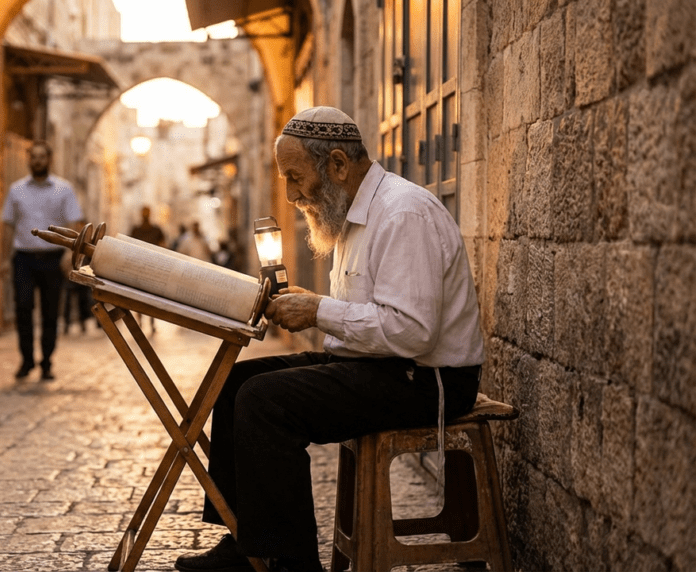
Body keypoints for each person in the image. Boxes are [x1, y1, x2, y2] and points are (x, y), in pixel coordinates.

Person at [173, 107, 484, 572]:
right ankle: (244, 543)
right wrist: (315, 305)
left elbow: (411, 332)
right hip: (379, 364)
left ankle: (292, 562)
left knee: (264, 401)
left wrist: (318, 310)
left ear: (338, 165)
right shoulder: (352, 217)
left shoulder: (403, 213)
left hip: (428, 379)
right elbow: (368, 318)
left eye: (296, 178)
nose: (292, 195)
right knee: (237, 382)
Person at [1, 141, 83, 382]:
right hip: (23, 258)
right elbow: (8, 225)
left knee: (50, 312)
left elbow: (74, 224)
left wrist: (69, 254)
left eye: (41, 157)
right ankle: (26, 360)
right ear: (28, 160)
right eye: (33, 157)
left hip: (53, 259)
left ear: (49, 159)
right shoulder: (16, 190)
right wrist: (5, 259)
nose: (37, 161)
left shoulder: (64, 189)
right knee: (23, 308)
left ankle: (47, 361)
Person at [129, 205, 167, 333]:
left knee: (151, 297)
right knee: (139, 296)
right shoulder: (136, 230)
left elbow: (163, 246)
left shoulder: (156, 230)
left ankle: (151, 322)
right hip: (139, 267)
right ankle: (140, 320)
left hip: (152, 267)